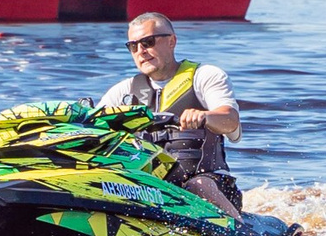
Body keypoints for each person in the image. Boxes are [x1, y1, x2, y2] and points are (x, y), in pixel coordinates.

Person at [100, 12, 244, 214]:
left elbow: (230, 121)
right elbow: (93, 128)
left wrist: (205, 117)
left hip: (209, 182)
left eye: (148, 42)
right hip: (153, 187)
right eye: (133, 46)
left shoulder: (205, 76)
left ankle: (243, 234)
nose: (141, 51)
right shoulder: (123, 92)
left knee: (198, 185)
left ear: (172, 41)